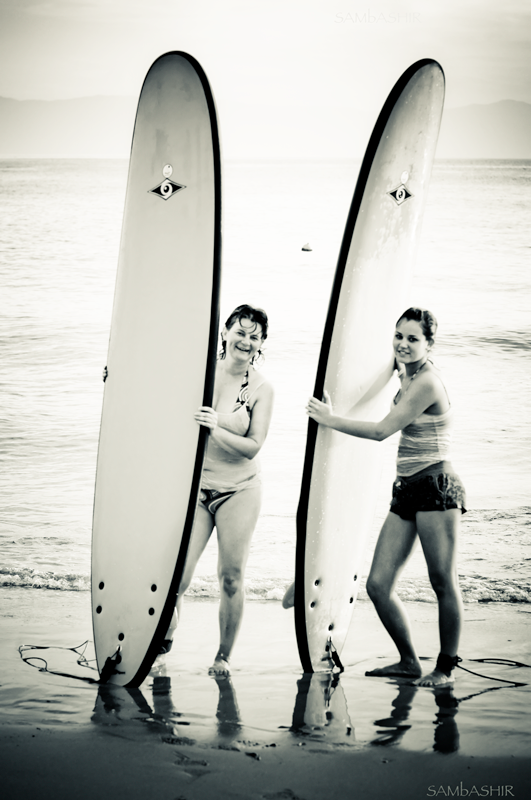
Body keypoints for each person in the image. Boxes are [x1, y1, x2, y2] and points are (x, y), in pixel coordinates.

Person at [303, 308, 466, 687]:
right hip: (406, 489)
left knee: (442, 581)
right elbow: (377, 376)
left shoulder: (427, 382)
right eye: (398, 336)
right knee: (377, 584)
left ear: (430, 344)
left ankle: (444, 669)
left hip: (435, 487)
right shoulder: (405, 372)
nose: (403, 345)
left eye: (413, 339)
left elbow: (381, 432)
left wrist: (329, 418)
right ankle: (409, 661)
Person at [164, 304, 274, 676]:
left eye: (254, 336)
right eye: (240, 332)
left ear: (261, 345)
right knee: (176, 575)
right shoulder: (200, 372)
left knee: (230, 577)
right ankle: (162, 635)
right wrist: (113, 377)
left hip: (240, 491)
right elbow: (158, 392)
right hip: (197, 488)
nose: (246, 341)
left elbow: (254, 445)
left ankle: (223, 656)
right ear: (225, 331)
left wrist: (216, 429)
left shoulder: (261, 389)